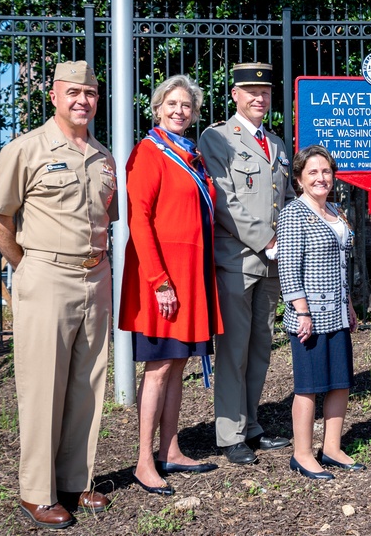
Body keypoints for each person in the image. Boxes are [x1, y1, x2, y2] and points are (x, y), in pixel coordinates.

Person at [0, 61, 117, 529]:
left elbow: (107, 219)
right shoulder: (25, 149)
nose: (83, 100)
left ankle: (74, 480)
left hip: (96, 277)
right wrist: (30, 268)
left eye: (91, 93)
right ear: (55, 97)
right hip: (45, 273)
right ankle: (36, 490)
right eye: (73, 92)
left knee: (88, 384)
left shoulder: (104, 157)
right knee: (43, 387)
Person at [119, 75, 224, 495]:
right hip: (161, 280)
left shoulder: (192, 155)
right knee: (160, 368)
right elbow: (138, 219)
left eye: (187, 106)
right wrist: (159, 280)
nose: (180, 111)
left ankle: (171, 448)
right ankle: (144, 461)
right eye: (172, 104)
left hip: (191, 275)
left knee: (177, 365)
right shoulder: (149, 152)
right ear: (158, 108)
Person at [199, 62, 296, 466]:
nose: (259, 98)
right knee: (234, 349)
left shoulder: (276, 144)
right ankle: (229, 432)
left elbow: (286, 198)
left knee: (260, 348)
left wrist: (295, 236)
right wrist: (268, 239)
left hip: (272, 263)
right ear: (235, 95)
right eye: (251, 92)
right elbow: (223, 199)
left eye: (265, 92)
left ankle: (251, 424)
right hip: (237, 260)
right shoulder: (217, 138)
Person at [276, 145, 362, 480]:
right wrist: (302, 312)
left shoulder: (337, 211)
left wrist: (351, 306)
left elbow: (343, 265)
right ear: (299, 178)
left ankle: (332, 447)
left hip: (338, 312)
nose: (320, 178)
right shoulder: (293, 214)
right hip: (309, 316)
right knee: (309, 386)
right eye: (312, 172)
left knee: (340, 382)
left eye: (325, 171)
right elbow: (288, 269)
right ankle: (302, 454)